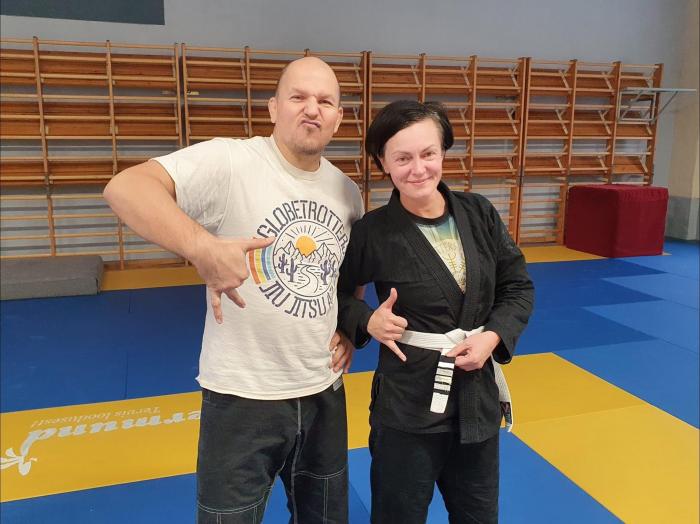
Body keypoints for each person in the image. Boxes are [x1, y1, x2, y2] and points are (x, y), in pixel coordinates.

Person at [104, 56, 364, 524]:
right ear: (273, 108)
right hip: (242, 396)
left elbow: (347, 275)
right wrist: (202, 246)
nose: (312, 109)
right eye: (298, 97)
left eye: (325, 101)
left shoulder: (347, 192)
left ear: (338, 117)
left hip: (323, 389)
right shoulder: (231, 161)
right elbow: (125, 187)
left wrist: (349, 329)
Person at [337, 100, 534, 523]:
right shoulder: (373, 231)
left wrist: (492, 336)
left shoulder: (479, 213)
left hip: (476, 400)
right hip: (407, 405)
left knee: (479, 516)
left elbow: (517, 287)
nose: (418, 169)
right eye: (402, 158)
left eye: (428, 153)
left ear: (443, 151)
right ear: (382, 163)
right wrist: (367, 319)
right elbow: (335, 295)